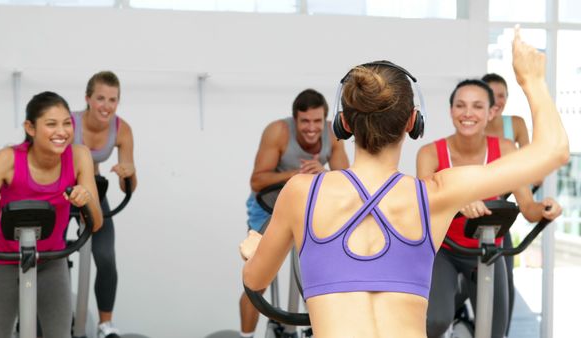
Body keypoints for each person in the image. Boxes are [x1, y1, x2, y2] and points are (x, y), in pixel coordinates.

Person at [239, 27, 568, 338]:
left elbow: (255, 280)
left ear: (343, 123)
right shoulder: (436, 195)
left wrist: (255, 251)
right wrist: (533, 80)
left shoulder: (302, 192)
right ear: (414, 121)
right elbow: (553, 151)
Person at [416, 77, 562, 337]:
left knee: (495, 331)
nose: (468, 113)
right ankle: (454, 293)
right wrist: (457, 201)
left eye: (477, 106)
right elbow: (425, 207)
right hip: (446, 250)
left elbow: (528, 208)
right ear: (451, 111)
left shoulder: (506, 149)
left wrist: (545, 209)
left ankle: (460, 292)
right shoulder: (431, 153)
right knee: (435, 322)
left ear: (491, 112)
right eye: (460, 106)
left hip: (489, 251)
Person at [0, 91, 103, 338]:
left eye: (67, 123)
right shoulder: (7, 159)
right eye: (51, 124)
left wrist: (86, 201)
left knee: (59, 334)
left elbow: (97, 223)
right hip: (3, 260)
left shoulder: (80, 156)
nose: (62, 132)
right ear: (31, 127)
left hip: (51, 259)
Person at [239, 88, 349, 337]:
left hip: (307, 210)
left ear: (325, 120)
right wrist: (295, 175)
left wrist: (324, 173)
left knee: (322, 277)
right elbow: (257, 181)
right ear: (295, 119)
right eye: (305, 121)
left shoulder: (333, 135)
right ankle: (246, 335)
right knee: (258, 282)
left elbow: (347, 183)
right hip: (268, 207)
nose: (311, 128)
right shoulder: (277, 132)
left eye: (317, 122)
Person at [71, 70, 137, 338]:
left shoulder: (122, 129)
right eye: (100, 98)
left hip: (93, 189)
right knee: (51, 256)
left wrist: (128, 172)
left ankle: (104, 325)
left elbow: (128, 186)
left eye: (112, 99)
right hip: (60, 191)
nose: (106, 106)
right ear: (88, 98)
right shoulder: (69, 123)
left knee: (106, 257)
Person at [482, 71, 532, 335]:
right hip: (473, 207)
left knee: (504, 272)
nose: (497, 100)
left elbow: (531, 166)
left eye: (502, 95)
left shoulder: (516, 125)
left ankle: (501, 331)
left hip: (502, 206)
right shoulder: (472, 125)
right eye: (491, 94)